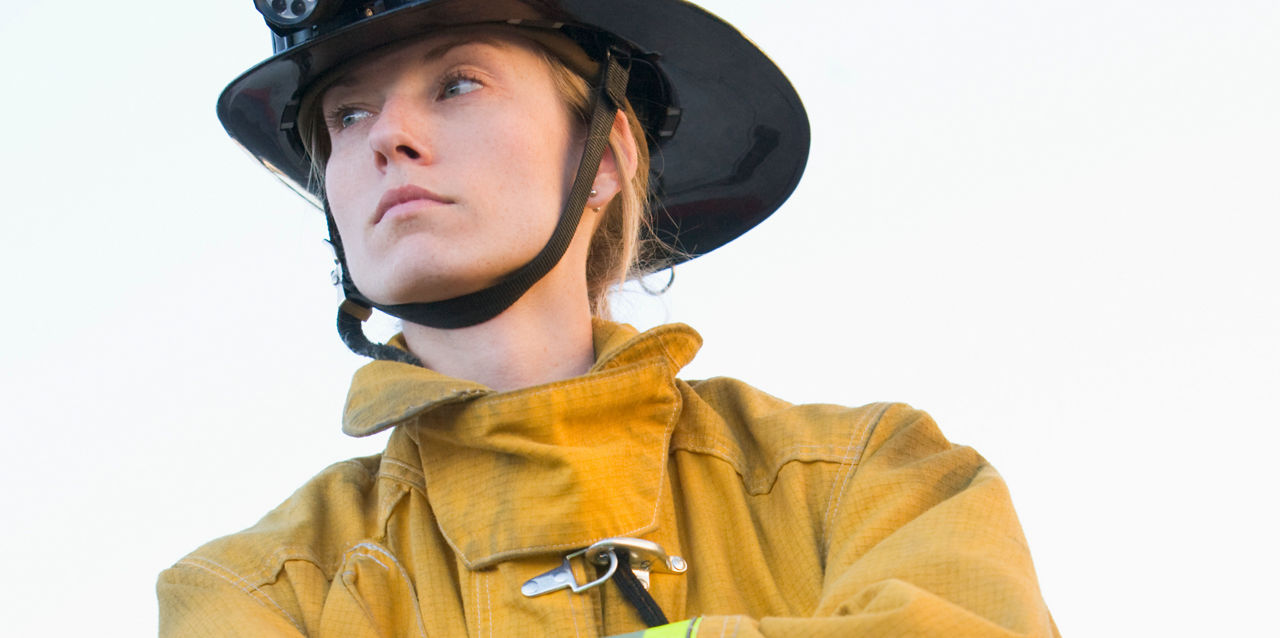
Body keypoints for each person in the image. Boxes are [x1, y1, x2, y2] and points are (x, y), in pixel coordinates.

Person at [158, 1, 1058, 636]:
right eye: (346, 114)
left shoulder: (873, 481)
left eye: (457, 84)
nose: (387, 136)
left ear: (605, 156)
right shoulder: (255, 594)